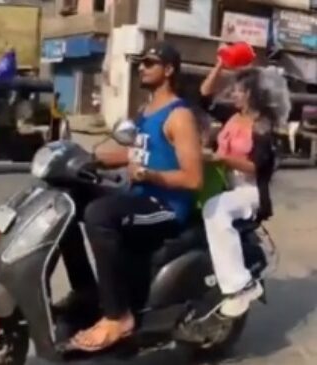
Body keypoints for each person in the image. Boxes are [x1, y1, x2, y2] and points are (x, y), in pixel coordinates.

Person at [70, 43, 203, 351]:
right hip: (140, 198)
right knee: (73, 198)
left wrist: (153, 176)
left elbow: (193, 177)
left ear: (168, 70)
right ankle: (86, 292)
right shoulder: (145, 113)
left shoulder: (179, 115)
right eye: (140, 62)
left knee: (100, 215)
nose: (141, 67)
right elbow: (135, 152)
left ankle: (118, 316)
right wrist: (91, 158)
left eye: (149, 62)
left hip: (166, 207)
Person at [199, 61, 278, 317]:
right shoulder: (232, 115)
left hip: (251, 192)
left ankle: (240, 285)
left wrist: (219, 159)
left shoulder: (262, 124)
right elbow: (204, 96)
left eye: (238, 91)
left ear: (252, 93)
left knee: (214, 209)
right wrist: (220, 64)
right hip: (224, 186)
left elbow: (257, 167)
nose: (232, 94)